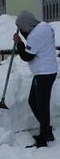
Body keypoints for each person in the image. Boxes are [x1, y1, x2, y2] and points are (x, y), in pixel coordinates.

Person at [13, 11, 58, 148]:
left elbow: (27, 56)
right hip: (47, 70)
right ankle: (46, 130)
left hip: (44, 73)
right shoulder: (44, 26)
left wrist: (19, 42)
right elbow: (35, 43)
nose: (21, 30)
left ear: (27, 25)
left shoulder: (35, 35)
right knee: (33, 101)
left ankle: (44, 138)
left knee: (41, 106)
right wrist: (23, 37)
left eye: (21, 28)